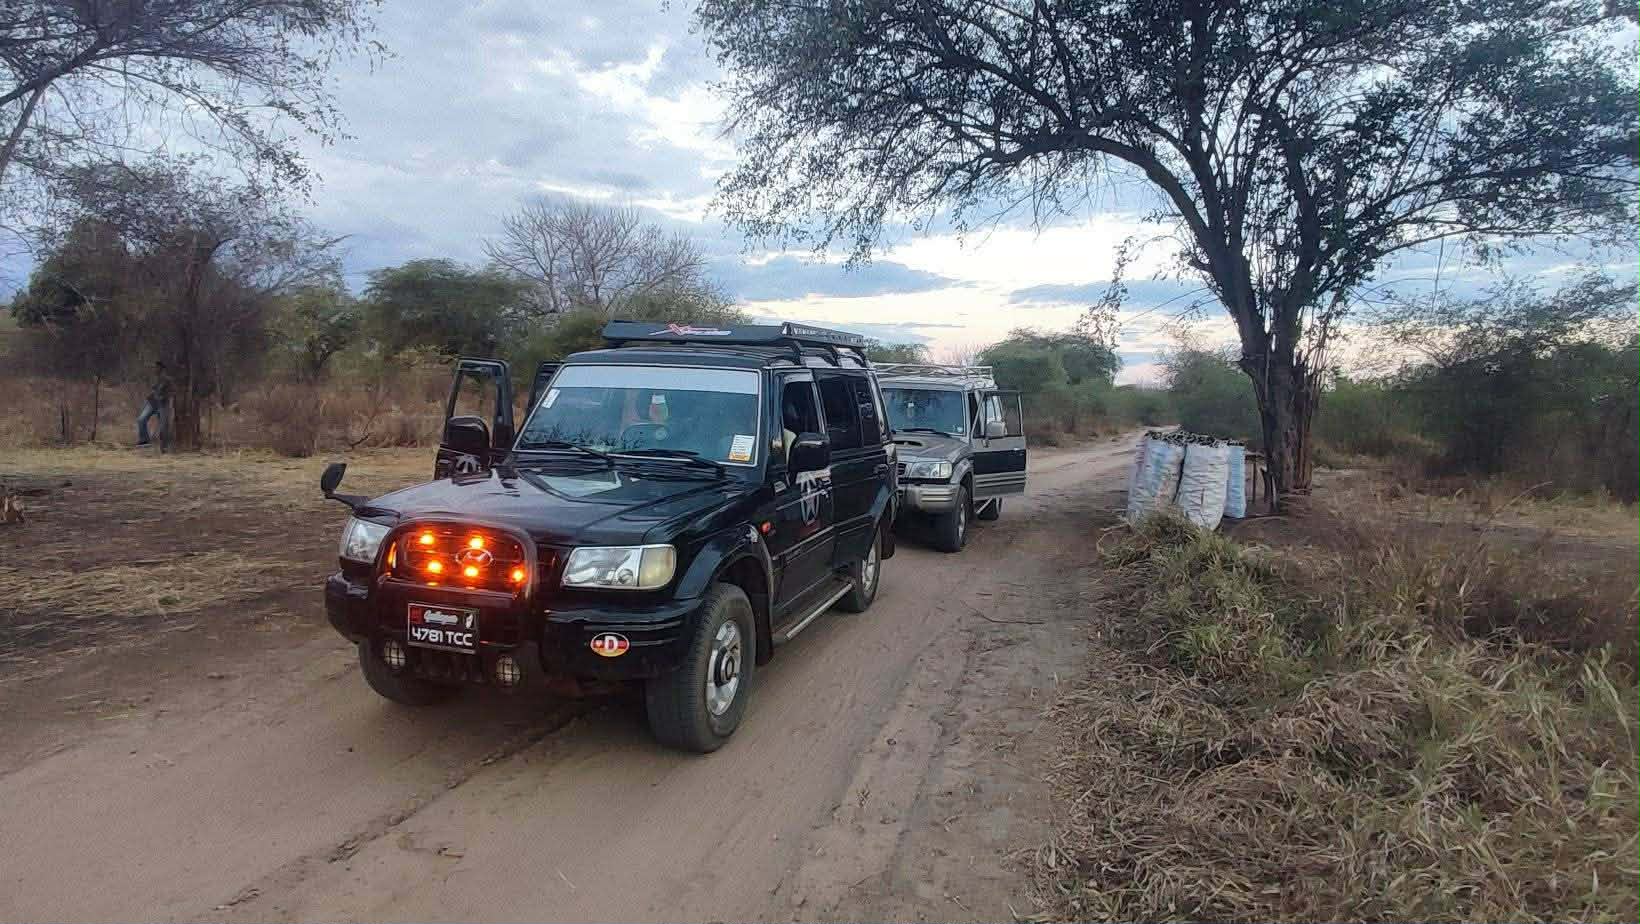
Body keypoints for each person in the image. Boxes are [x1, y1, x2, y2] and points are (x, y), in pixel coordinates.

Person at [136, 361, 172, 447]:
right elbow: (153, 390)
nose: (155, 369)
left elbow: (170, 393)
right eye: (155, 367)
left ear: (162, 369)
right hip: (152, 403)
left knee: (163, 427)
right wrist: (150, 395)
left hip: (162, 404)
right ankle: (144, 440)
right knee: (141, 419)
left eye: (157, 367)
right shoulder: (154, 378)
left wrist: (162, 397)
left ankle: (164, 447)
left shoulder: (167, 380)